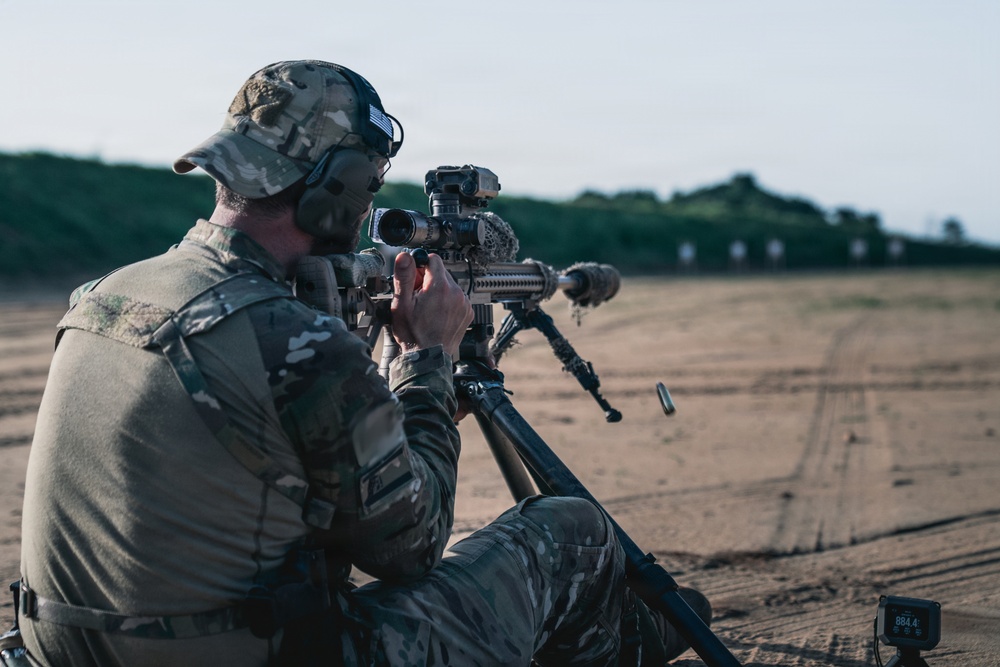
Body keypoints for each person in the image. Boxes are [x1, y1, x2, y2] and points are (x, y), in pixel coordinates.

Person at [15, 60, 710, 666]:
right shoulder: (288, 336)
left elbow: (266, 458)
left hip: (70, 650)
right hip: (252, 655)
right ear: (337, 184)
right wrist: (427, 358)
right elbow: (410, 544)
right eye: (371, 184)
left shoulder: (101, 296)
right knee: (569, 530)